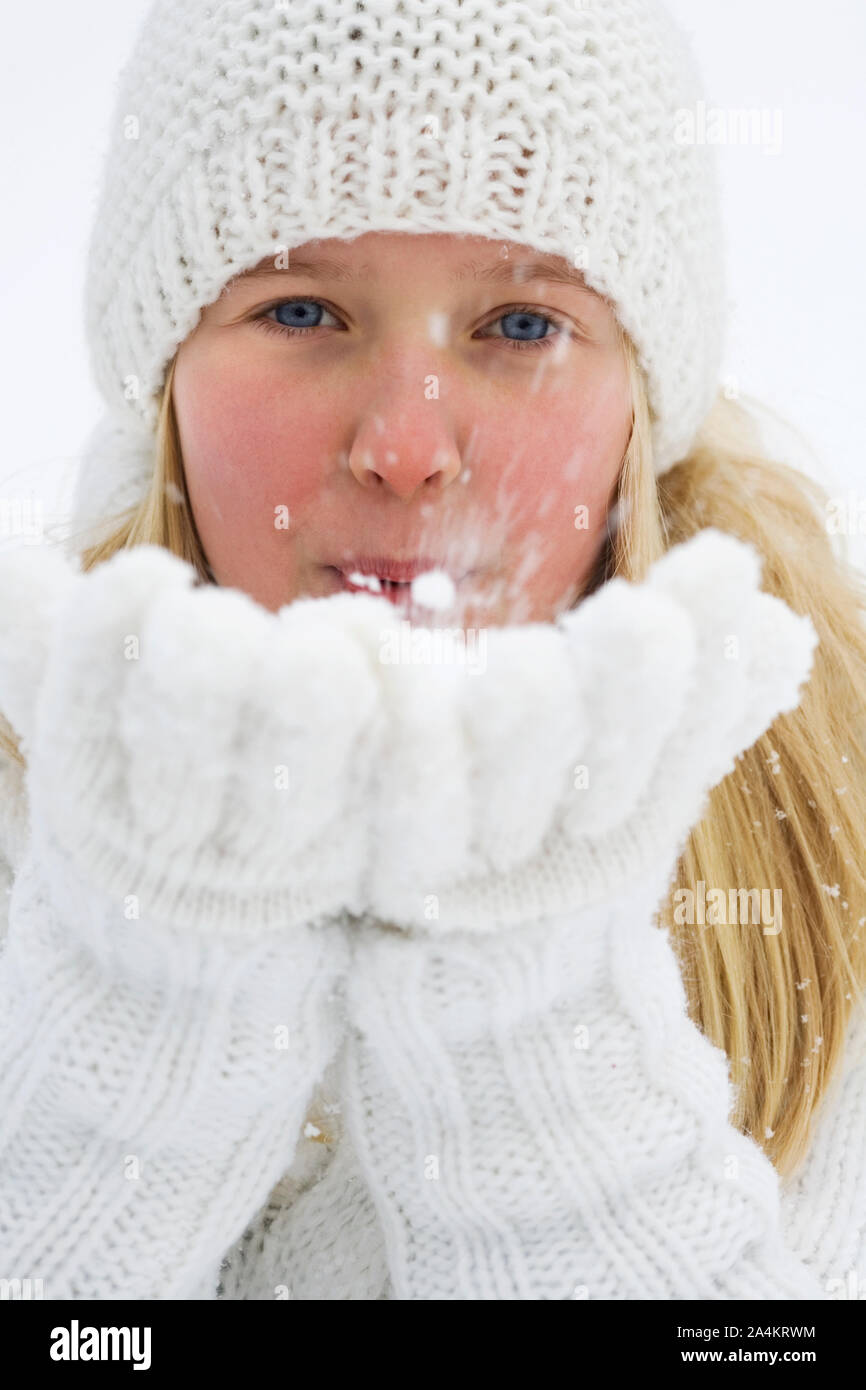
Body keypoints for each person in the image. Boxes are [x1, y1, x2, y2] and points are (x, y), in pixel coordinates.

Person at [1, 0, 865, 1302]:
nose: (405, 446)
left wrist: (523, 1022)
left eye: (520, 325)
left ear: (637, 391)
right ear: (167, 375)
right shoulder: (31, 793)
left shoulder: (835, 822)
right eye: (301, 311)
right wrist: (146, 1014)